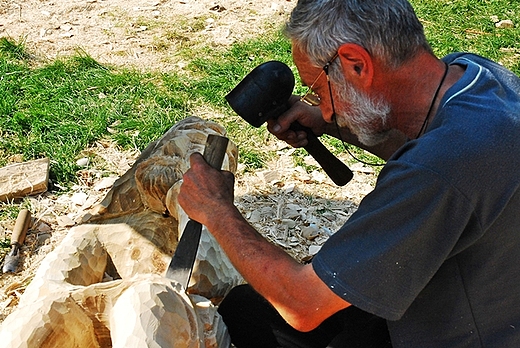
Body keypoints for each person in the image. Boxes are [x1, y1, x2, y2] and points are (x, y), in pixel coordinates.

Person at [177, 0, 520, 347]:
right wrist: (333, 124)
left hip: (458, 335)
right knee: (246, 308)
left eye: (320, 90)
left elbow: (302, 304)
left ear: (357, 65)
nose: (324, 108)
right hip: (473, 296)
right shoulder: (476, 77)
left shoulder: (439, 169)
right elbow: (423, 142)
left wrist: (218, 210)